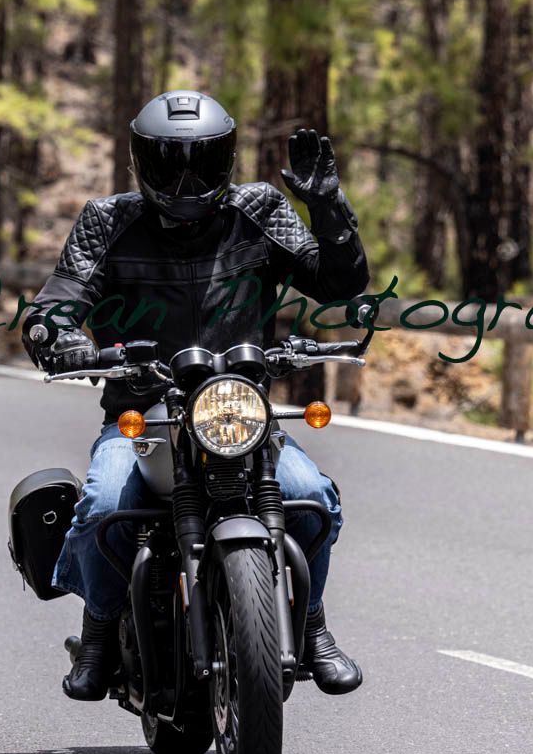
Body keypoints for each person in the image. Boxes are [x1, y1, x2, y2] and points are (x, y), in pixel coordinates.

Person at [22, 89, 369, 701]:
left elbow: (339, 284)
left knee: (311, 497)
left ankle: (311, 623)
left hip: (238, 411)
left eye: (201, 161)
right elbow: (58, 301)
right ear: (140, 161)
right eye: (169, 161)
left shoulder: (259, 208)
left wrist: (329, 209)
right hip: (142, 413)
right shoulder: (107, 220)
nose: (185, 178)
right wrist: (56, 336)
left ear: (226, 159)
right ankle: (99, 629)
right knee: (104, 504)